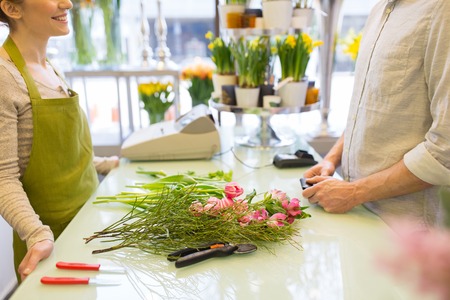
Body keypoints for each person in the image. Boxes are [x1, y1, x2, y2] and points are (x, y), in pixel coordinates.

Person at [302, 0, 450, 230]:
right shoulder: (379, 9)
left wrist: (353, 192)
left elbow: (445, 149)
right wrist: (331, 159)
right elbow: (367, 109)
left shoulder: (442, 10)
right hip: (359, 212)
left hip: (408, 231)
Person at [0, 0, 118, 282]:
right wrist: (37, 235)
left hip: (87, 223)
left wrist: (106, 164)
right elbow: (3, 177)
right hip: (50, 242)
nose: (67, 3)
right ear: (12, 9)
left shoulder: (49, 67)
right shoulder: (5, 77)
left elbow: (64, 151)